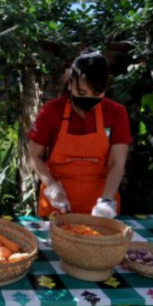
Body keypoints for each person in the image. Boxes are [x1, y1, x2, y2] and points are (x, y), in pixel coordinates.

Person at [28, 49, 131, 218]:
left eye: (97, 94)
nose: (88, 99)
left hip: (101, 200)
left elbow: (117, 163)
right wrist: (52, 188)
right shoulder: (51, 111)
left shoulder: (116, 113)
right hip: (57, 204)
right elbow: (34, 156)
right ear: (70, 83)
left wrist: (106, 201)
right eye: (81, 92)